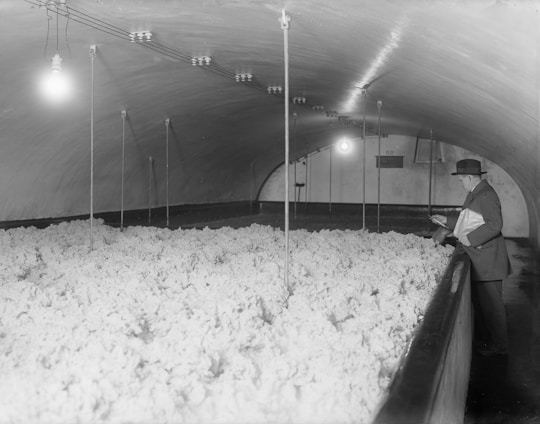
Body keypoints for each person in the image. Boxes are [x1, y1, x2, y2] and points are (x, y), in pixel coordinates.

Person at [430, 158, 511, 356]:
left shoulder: (485, 195)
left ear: (468, 177)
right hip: (481, 256)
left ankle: (499, 346)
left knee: (492, 306)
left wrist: (468, 238)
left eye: (461, 180)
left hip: (487, 258)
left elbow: (494, 224)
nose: (461, 183)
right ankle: (487, 341)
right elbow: (470, 220)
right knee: (484, 305)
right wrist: (447, 220)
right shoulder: (476, 193)